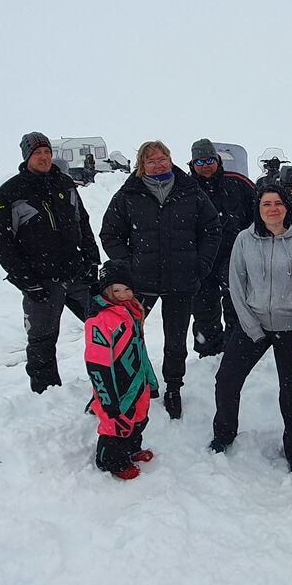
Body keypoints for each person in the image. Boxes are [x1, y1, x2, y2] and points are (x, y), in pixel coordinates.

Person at [99, 141, 222, 419]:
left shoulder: (190, 190)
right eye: (152, 160)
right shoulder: (129, 194)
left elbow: (212, 229)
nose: (159, 163)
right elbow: (110, 234)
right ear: (142, 165)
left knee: (175, 340)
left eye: (163, 157)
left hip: (181, 279)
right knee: (128, 336)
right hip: (141, 281)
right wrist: (129, 266)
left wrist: (201, 264)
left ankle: (173, 387)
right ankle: (123, 384)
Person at [209, 184, 292, 473]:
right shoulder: (245, 240)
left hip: (291, 328)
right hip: (252, 325)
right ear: (258, 209)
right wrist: (251, 325)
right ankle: (224, 435)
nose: (273, 209)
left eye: (278, 203)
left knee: (291, 392)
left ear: (287, 207)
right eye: (266, 204)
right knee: (227, 380)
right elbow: (237, 284)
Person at [0, 131, 100, 394]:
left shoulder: (65, 184)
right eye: (38, 152)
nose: (44, 157)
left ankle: (107, 381)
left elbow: (83, 223)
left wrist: (92, 261)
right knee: (42, 341)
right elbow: (2, 244)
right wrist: (25, 280)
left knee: (103, 326)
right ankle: (46, 394)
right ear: (27, 156)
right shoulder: (10, 193)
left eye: (47, 152)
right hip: (41, 282)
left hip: (75, 274)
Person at [85, 261, 159, 480]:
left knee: (139, 417)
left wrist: (150, 380)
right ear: (107, 291)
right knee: (116, 424)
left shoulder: (133, 312)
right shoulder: (100, 320)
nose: (123, 295)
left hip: (137, 379)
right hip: (115, 384)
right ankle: (111, 461)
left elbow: (141, 349)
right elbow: (96, 364)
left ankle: (131, 450)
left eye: (127, 289)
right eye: (116, 290)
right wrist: (108, 399)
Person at [188, 138, 256, 357]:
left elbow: (261, 213)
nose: (205, 165)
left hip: (234, 254)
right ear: (192, 163)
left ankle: (236, 350)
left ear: (217, 160)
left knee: (236, 303)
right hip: (199, 257)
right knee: (203, 307)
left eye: (209, 159)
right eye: (200, 161)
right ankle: (208, 353)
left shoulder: (238, 183)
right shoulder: (185, 189)